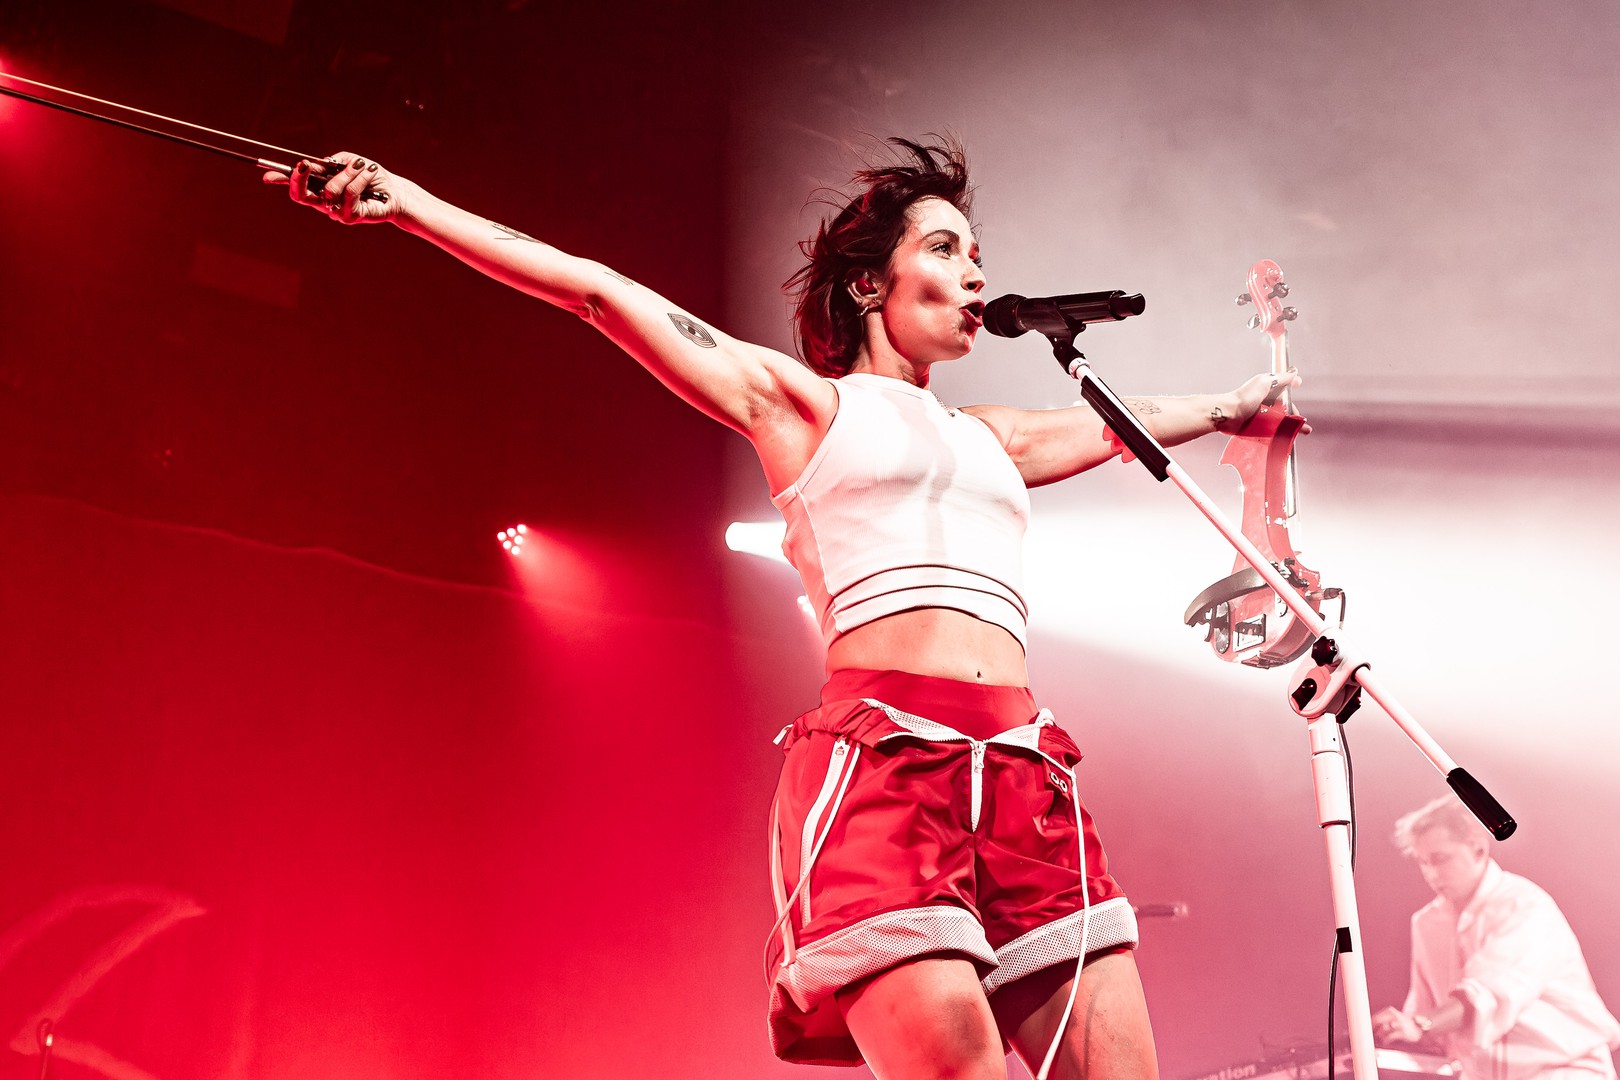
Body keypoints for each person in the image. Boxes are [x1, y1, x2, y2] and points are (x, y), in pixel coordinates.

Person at [270, 138, 1289, 1080]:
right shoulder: (802, 407)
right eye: (944, 249)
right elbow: (596, 293)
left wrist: (1238, 406)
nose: (977, 275)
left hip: (1027, 773)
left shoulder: (992, 436)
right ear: (868, 284)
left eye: (978, 255)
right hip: (888, 775)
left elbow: (1120, 423)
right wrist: (407, 203)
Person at [1374, 796, 1619, 1080]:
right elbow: (1426, 1018)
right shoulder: (1426, 923)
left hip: (1565, 1071)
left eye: (1440, 859)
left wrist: (1420, 1024)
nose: (1431, 873)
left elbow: (1487, 993)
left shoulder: (1524, 904)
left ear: (1478, 848)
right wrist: (1385, 1030)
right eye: (1423, 862)